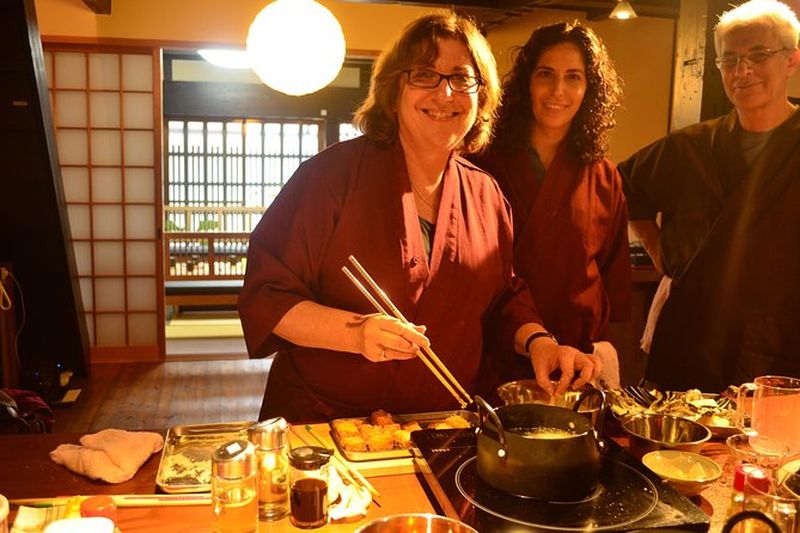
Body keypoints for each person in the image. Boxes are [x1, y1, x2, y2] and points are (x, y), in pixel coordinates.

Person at [238, 12, 601, 422]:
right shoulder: (329, 177)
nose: (445, 94)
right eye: (425, 75)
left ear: (481, 96)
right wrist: (356, 333)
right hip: (326, 422)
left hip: (439, 421)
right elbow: (268, 296)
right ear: (394, 90)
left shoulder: (487, 194)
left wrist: (541, 343)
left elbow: (503, 299)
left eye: (462, 78)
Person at [619, 0, 800, 392]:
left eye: (758, 55)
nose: (742, 71)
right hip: (694, 337)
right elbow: (621, 186)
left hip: (783, 339)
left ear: (791, 61)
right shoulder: (691, 146)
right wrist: (658, 251)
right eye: (730, 59)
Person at [472, 21, 630, 388]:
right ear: (527, 81)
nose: (558, 90)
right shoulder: (483, 162)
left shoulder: (604, 175)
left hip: (576, 362)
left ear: (589, 89)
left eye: (574, 77)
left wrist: (601, 354)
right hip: (496, 349)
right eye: (546, 74)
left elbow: (613, 277)